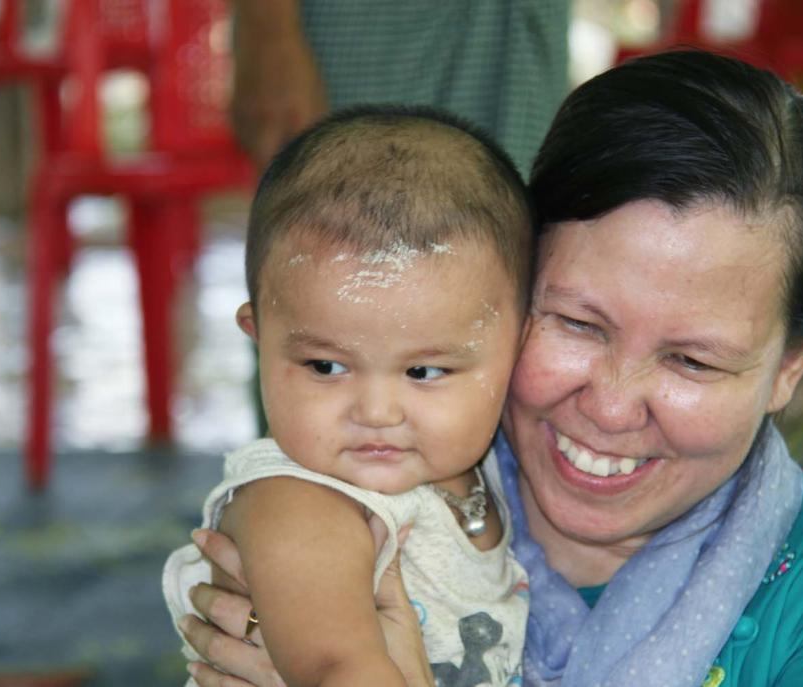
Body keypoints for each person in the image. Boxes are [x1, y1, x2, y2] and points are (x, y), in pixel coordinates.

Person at [175, 49, 803, 687]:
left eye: (692, 359)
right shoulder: (349, 500)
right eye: (576, 323)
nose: (613, 405)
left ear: (794, 362)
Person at [164, 105, 537, 686]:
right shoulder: (301, 501)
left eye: (425, 372)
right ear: (258, 341)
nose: (377, 413)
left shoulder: (483, 470)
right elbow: (337, 668)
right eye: (326, 365)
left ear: (518, 347)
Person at [230, 0, 570, 176]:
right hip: (373, 35)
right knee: (351, 226)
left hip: (524, 37)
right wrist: (269, 33)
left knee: (513, 241)